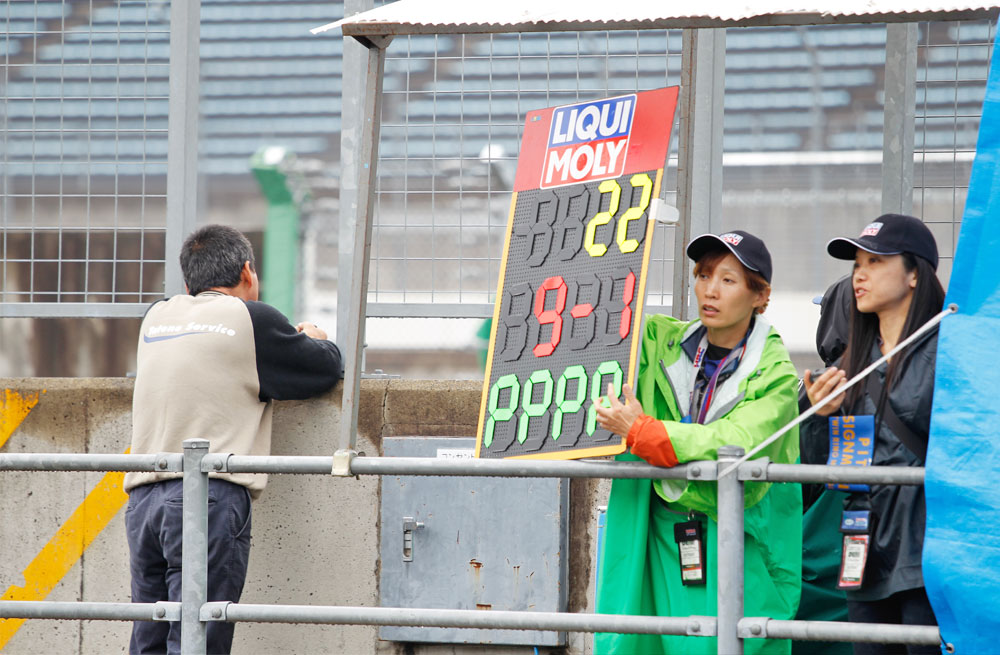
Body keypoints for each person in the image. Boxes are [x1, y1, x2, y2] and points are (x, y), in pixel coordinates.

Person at [124, 224, 343, 654]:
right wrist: (313, 338)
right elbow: (322, 369)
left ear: (188, 282)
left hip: (143, 501)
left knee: (149, 638)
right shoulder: (251, 318)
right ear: (247, 272)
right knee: (199, 638)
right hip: (205, 497)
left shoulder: (157, 316)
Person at [594, 230, 802, 655]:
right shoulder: (660, 343)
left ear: (760, 296)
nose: (710, 290)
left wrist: (645, 433)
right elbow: (594, 318)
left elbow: (738, 441)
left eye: (728, 280)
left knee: (733, 644)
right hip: (659, 534)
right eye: (703, 276)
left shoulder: (776, 374)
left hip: (739, 539)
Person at [802, 214, 945, 655]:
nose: (860, 275)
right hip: (862, 551)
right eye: (857, 265)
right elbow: (812, 474)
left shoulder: (949, 351)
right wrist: (820, 415)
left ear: (915, 274)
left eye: (876, 262)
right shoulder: (846, 365)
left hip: (929, 554)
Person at [795, 275, 853, 655]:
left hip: (816, 564)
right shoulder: (897, 374)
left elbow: (801, 474)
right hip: (864, 563)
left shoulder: (818, 386)